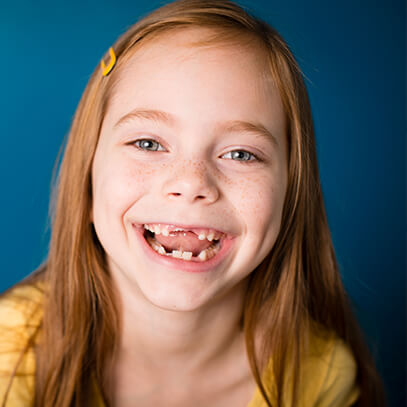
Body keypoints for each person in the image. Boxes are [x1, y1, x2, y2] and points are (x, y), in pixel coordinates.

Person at [0, 1, 386, 406]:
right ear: (88, 168)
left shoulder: (318, 376)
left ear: (291, 190)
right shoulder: (10, 355)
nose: (190, 183)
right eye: (148, 143)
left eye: (241, 154)